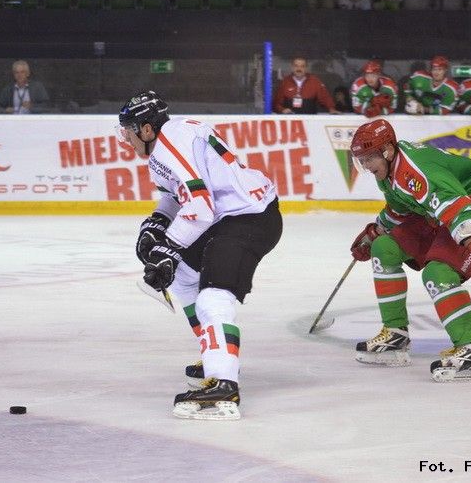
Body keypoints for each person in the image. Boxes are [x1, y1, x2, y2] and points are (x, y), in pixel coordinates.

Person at [118, 91, 282, 420]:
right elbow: (178, 194)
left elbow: (200, 207)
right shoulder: (170, 138)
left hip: (249, 218)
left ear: (146, 129)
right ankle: (215, 355)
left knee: (213, 298)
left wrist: (169, 245)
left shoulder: (169, 145)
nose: (126, 140)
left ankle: (223, 385)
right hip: (229, 216)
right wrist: (158, 222)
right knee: (179, 273)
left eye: (129, 132)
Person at [348, 118, 471, 382]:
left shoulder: (415, 171)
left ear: (387, 150)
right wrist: (375, 231)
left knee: (438, 272)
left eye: (368, 159)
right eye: (361, 160)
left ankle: (470, 350)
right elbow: (400, 210)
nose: (365, 166)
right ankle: (395, 334)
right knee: (384, 247)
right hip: (442, 210)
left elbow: (456, 206)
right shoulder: (387, 172)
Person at [273, 57, 341, 114]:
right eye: (296, 66)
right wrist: (282, 110)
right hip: (290, 120)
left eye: (302, 66)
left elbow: (325, 97)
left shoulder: (314, 81)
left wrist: (331, 109)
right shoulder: (285, 82)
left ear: (306, 68)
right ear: (292, 68)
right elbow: (277, 103)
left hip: (310, 119)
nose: (299, 69)